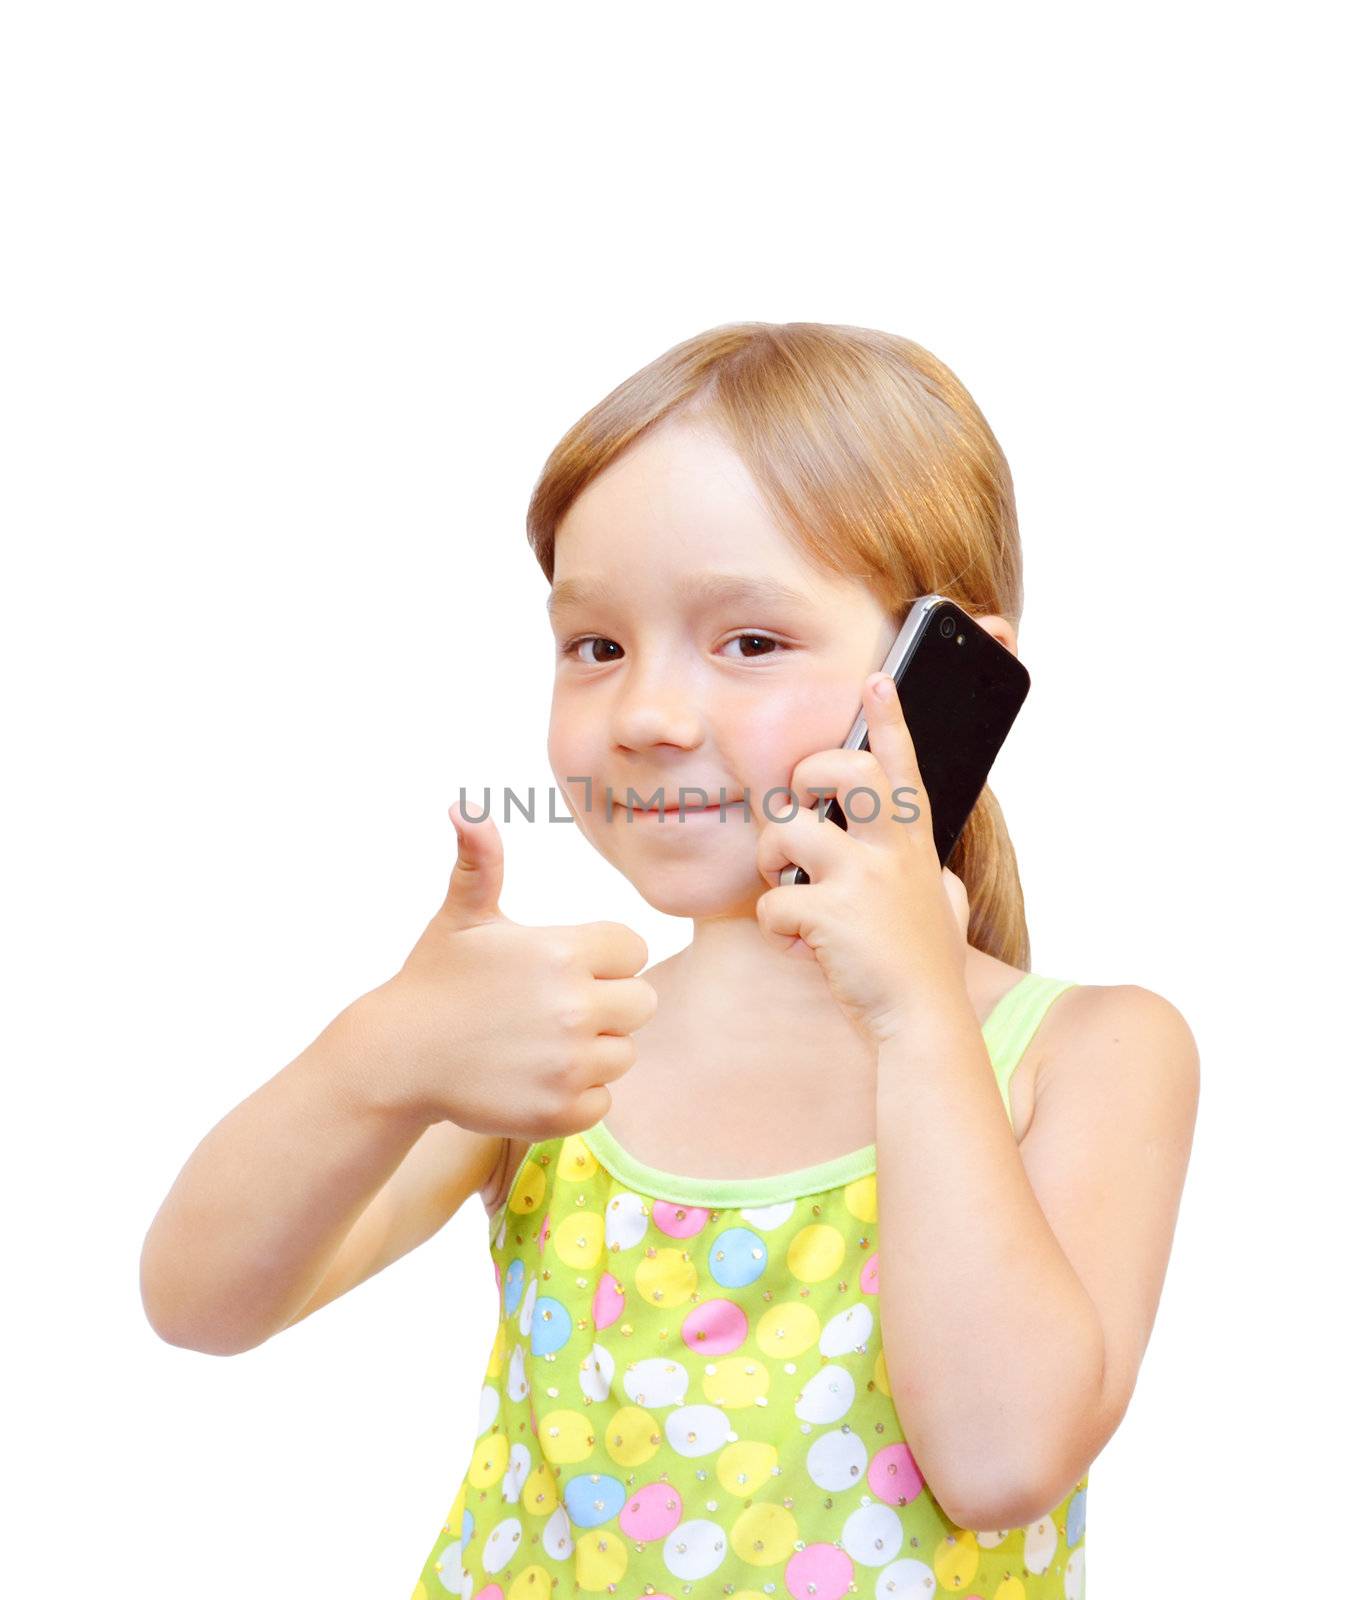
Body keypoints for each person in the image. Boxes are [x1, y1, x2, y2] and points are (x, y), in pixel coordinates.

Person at [140, 322, 1200, 1600]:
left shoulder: (1093, 1053)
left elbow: (1000, 1456)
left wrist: (919, 1010)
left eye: (749, 642)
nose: (644, 715)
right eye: (595, 646)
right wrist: (378, 1058)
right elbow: (199, 1303)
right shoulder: (568, 1040)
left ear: (946, 681)